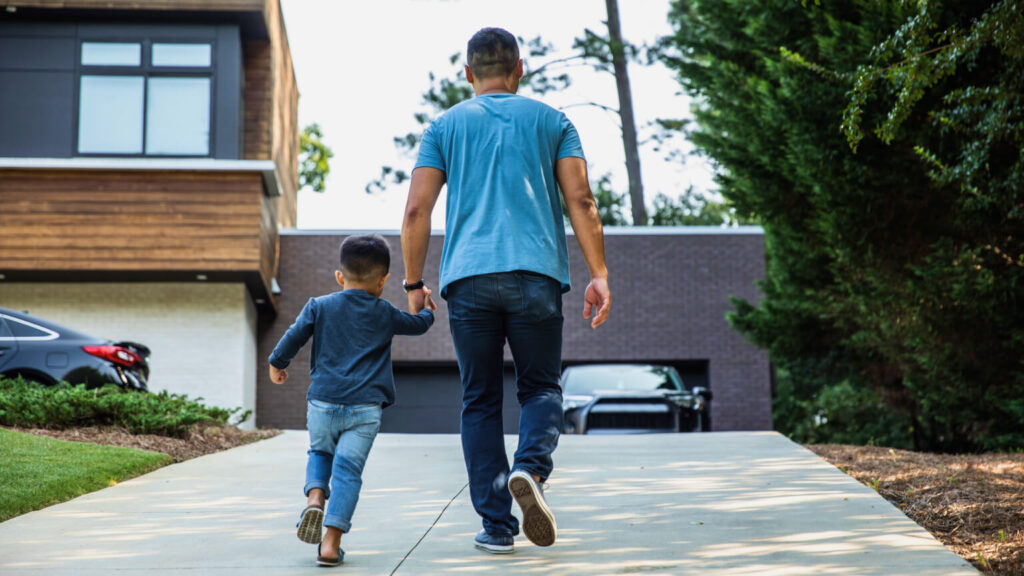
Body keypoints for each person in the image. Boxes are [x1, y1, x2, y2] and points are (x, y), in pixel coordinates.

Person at [400, 27, 612, 554]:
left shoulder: (444, 127)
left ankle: (496, 527)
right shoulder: (553, 121)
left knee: (479, 402)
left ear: (468, 73)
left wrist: (412, 283)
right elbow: (581, 200)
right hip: (535, 275)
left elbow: (415, 210)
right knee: (541, 388)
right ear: (520, 68)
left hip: (468, 281)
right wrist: (599, 273)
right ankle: (532, 472)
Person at [267, 234, 436, 567]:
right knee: (348, 472)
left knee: (319, 451)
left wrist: (276, 363)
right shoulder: (385, 312)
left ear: (339, 276)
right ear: (384, 280)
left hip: (323, 403)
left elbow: (294, 336)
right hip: (364, 409)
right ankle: (330, 545)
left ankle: (315, 498)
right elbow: (417, 326)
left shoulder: (319, 305)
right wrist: (426, 309)